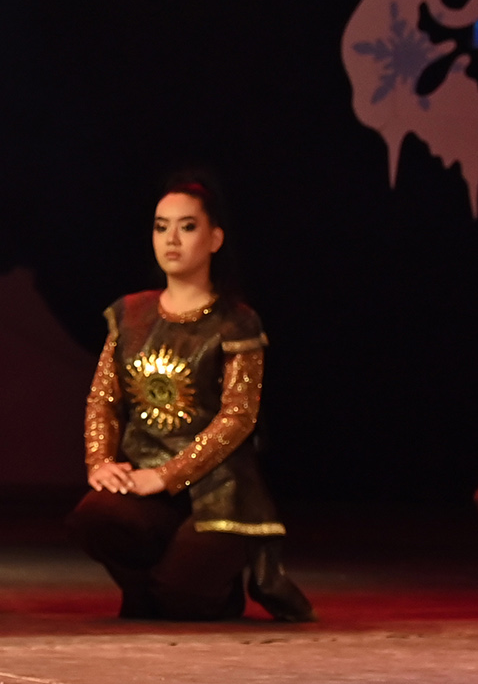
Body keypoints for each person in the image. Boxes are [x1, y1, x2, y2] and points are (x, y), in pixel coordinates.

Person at [70, 174, 314, 623]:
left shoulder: (236, 322)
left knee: (181, 601)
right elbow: (103, 398)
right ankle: (155, 589)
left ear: (214, 238)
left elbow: (238, 417)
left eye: (187, 227)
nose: (172, 239)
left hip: (218, 491)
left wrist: (167, 476)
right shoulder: (130, 314)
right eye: (161, 227)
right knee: (96, 516)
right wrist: (100, 461)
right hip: (146, 479)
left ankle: (201, 588)